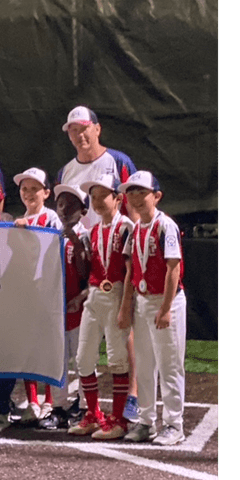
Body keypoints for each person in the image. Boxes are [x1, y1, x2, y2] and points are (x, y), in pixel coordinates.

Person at [57, 105, 140, 421]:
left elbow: (132, 208)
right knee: (83, 335)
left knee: (125, 325)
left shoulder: (118, 161)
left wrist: (132, 253)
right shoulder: (66, 171)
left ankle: (132, 396)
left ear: (97, 128)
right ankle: (84, 403)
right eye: (73, 131)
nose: (79, 135)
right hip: (84, 259)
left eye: (83, 128)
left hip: (116, 255)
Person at [118, 171, 187, 446]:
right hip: (144, 301)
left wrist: (167, 308)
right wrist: (127, 305)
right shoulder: (135, 229)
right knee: (145, 365)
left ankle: (174, 424)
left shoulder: (164, 225)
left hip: (165, 301)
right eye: (131, 192)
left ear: (156, 196)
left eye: (141, 192)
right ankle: (147, 421)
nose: (135, 198)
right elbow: (131, 269)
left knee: (169, 365)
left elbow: (174, 268)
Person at [67, 174, 135, 439]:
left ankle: (118, 419)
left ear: (118, 198)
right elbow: (89, 269)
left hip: (116, 293)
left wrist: (125, 305)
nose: (96, 202)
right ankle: (94, 414)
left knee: (117, 358)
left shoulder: (127, 227)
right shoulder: (94, 231)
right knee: (84, 357)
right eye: (93, 197)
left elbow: (129, 270)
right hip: (94, 296)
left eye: (102, 196)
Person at [38, 184, 92, 431]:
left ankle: (83, 406)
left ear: (82, 211)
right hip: (54, 309)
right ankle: (58, 407)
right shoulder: (50, 233)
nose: (63, 209)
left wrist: (80, 298)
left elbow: (87, 274)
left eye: (70, 205)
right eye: (60, 204)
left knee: (82, 360)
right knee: (57, 361)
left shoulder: (85, 235)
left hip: (78, 309)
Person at [10, 167, 61, 424]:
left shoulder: (50, 218)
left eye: (34, 189)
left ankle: (49, 401)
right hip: (25, 294)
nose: (29, 194)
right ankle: (32, 401)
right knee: (28, 349)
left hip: (48, 293)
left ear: (46, 193)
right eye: (24, 189)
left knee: (47, 349)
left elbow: (58, 243)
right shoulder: (18, 221)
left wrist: (26, 228)